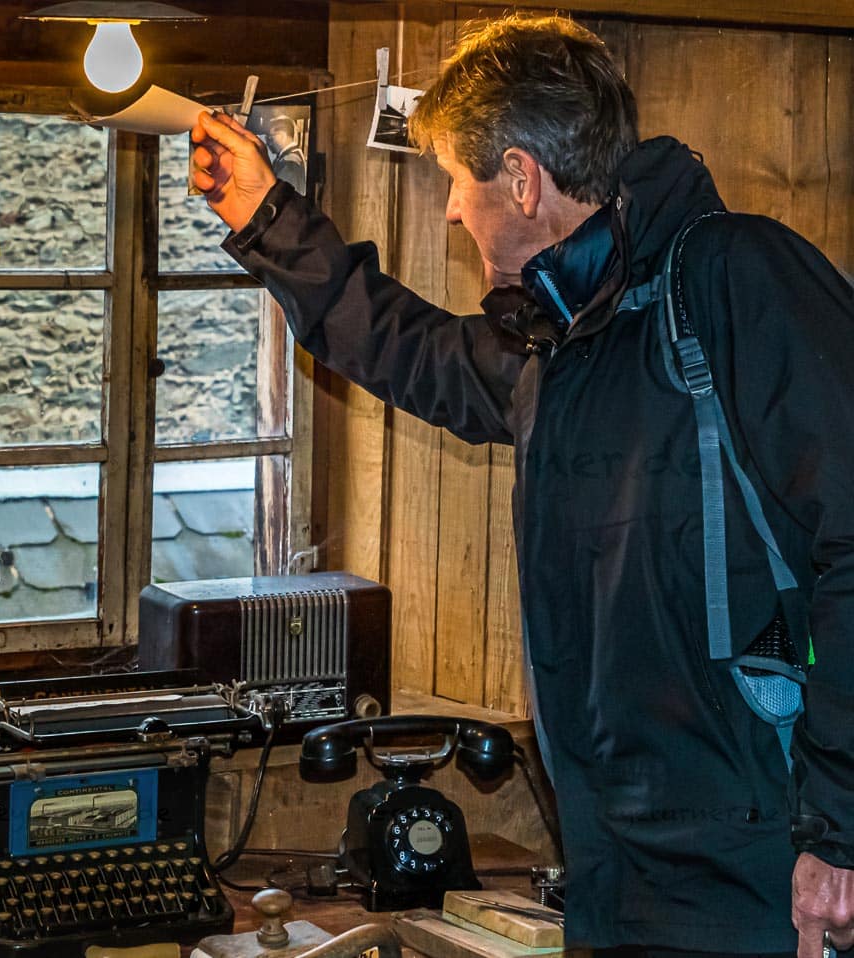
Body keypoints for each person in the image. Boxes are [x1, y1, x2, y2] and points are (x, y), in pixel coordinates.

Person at [191, 13, 854, 958]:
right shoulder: (562, 343)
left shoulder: (733, 281)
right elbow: (412, 351)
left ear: (521, 179)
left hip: (765, 879)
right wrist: (267, 219)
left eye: (456, 182)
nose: (450, 212)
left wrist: (840, 832)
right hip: (617, 872)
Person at [263, 114, 305, 194]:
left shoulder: (289, 162)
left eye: (270, 138)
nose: (268, 143)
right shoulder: (289, 157)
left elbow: (279, 195)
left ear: (282, 136)